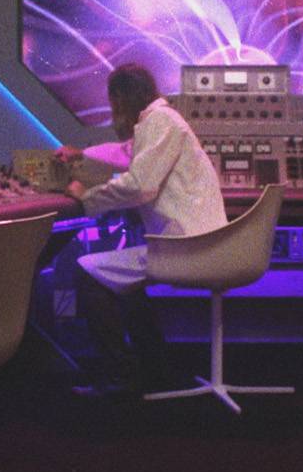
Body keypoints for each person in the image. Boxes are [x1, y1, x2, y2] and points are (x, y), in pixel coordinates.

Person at [56, 64, 226, 398]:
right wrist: (83, 154)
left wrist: (86, 197)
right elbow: (129, 152)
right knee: (120, 280)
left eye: (113, 103)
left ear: (120, 98)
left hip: (186, 248)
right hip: (194, 244)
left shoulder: (160, 121)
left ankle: (120, 378)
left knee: (88, 273)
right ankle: (155, 369)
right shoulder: (160, 120)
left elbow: (139, 186)